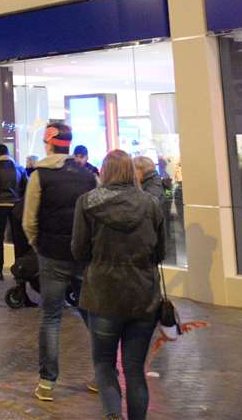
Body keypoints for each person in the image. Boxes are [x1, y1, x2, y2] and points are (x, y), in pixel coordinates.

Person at [73, 150, 165, 420]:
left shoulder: (87, 203)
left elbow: (79, 250)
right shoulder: (150, 204)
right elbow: (160, 253)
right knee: (135, 370)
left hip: (103, 294)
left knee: (103, 363)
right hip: (143, 296)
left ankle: (113, 415)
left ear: (105, 171)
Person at [24, 119, 98, 402]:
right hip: (82, 255)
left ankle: (47, 383)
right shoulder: (88, 176)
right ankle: (103, 375)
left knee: (51, 316)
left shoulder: (40, 176)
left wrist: (38, 245)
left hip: (52, 255)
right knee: (91, 312)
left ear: (48, 142)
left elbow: (29, 221)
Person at [0, 143, 26, 280]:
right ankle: (19, 270)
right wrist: (18, 198)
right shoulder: (19, 167)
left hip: (0, 205)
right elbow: (26, 185)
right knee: (18, 239)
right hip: (16, 206)